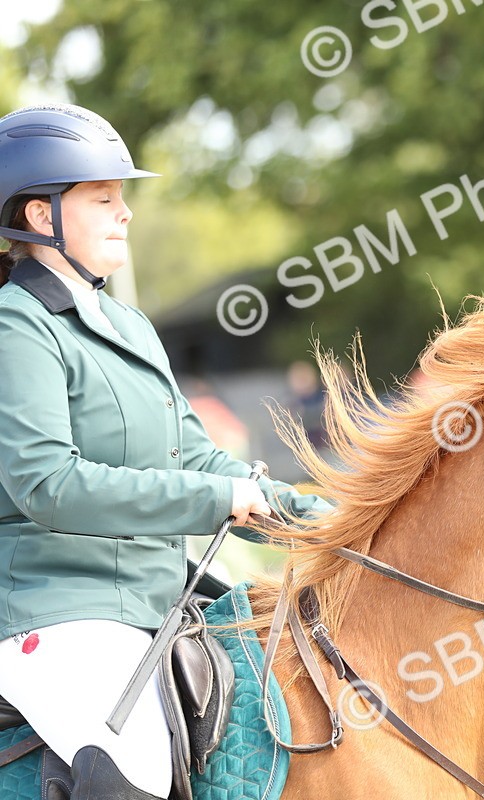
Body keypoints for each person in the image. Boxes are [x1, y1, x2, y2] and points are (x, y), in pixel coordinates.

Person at [0, 104, 332, 799]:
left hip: (157, 593)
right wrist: (219, 500)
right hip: (58, 605)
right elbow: (49, 485)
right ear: (39, 216)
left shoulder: (128, 324)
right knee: (135, 764)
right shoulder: (17, 329)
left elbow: (193, 457)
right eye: (104, 198)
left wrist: (306, 511)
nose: (126, 213)